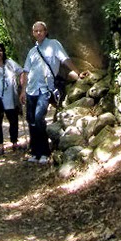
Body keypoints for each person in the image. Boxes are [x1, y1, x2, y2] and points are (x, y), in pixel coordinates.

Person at [19, 21, 83, 164]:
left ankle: (45, 152)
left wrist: (78, 73)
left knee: (38, 118)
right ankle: (35, 152)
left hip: (45, 89)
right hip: (31, 90)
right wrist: (23, 91)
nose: (38, 33)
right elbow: (26, 72)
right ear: (33, 33)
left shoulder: (54, 44)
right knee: (31, 122)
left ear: (46, 31)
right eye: (35, 31)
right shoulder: (32, 51)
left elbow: (65, 59)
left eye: (41, 30)